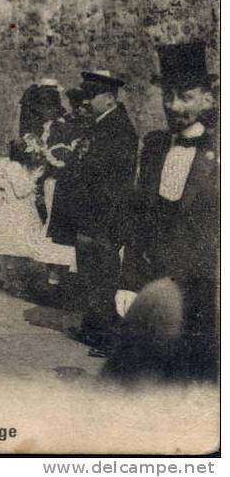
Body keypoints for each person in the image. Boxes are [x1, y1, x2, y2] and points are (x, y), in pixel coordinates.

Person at [106, 42, 218, 383]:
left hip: (202, 289)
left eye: (184, 97)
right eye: (168, 96)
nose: (173, 106)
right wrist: (128, 282)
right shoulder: (154, 146)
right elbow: (138, 220)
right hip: (153, 286)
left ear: (208, 99)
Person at [65, 71, 139, 356]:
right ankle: (91, 328)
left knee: (103, 275)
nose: (87, 101)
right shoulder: (100, 124)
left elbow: (110, 178)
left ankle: (108, 337)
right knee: (91, 273)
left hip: (105, 216)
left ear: (109, 98)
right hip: (92, 213)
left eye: (91, 96)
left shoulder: (119, 128)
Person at [0, 142, 47, 294]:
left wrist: (1, 185)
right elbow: (20, 191)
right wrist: (34, 179)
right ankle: (10, 281)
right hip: (15, 208)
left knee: (9, 245)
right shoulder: (15, 167)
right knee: (13, 244)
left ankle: (10, 279)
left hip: (8, 205)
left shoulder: (9, 164)